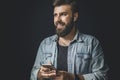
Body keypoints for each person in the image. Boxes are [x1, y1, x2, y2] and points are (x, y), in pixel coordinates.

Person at [30, 0, 109, 80]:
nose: (58, 20)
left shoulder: (92, 43)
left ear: (74, 16)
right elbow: (33, 76)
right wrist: (40, 74)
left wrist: (73, 77)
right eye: (55, 15)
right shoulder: (45, 44)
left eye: (63, 14)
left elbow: (102, 76)